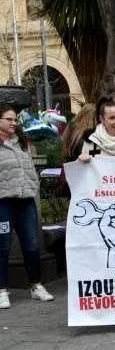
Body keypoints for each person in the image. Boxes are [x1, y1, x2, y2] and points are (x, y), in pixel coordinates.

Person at [0, 103, 55, 309]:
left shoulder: (22, 142)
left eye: (15, 119)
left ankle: (36, 285)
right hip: (3, 202)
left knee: (32, 244)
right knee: (2, 246)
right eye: (9, 119)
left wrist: (32, 188)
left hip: (25, 201)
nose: (14, 123)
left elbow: (31, 169)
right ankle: (2, 290)